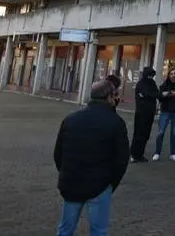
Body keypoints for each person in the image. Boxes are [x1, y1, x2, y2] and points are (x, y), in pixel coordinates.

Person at [54, 80, 130, 236]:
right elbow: (121, 160)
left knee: (65, 229)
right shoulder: (116, 123)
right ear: (109, 97)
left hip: (71, 183)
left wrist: (66, 174)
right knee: (98, 231)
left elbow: (58, 154)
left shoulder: (70, 119)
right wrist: (110, 184)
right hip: (99, 186)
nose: (117, 99)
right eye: (115, 95)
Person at [153, 67, 175, 161]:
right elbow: (159, 96)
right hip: (165, 111)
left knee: (174, 134)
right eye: (171, 74)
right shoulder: (165, 85)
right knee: (161, 132)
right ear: (169, 75)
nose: (173, 75)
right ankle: (157, 153)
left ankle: (173, 153)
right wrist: (168, 93)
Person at [130, 67, 159, 162]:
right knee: (138, 133)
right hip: (141, 113)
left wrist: (149, 96)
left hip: (150, 113)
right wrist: (149, 96)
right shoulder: (140, 85)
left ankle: (140, 154)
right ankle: (134, 154)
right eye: (149, 75)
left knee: (146, 134)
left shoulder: (152, 84)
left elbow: (156, 94)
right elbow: (145, 95)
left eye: (152, 76)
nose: (151, 77)